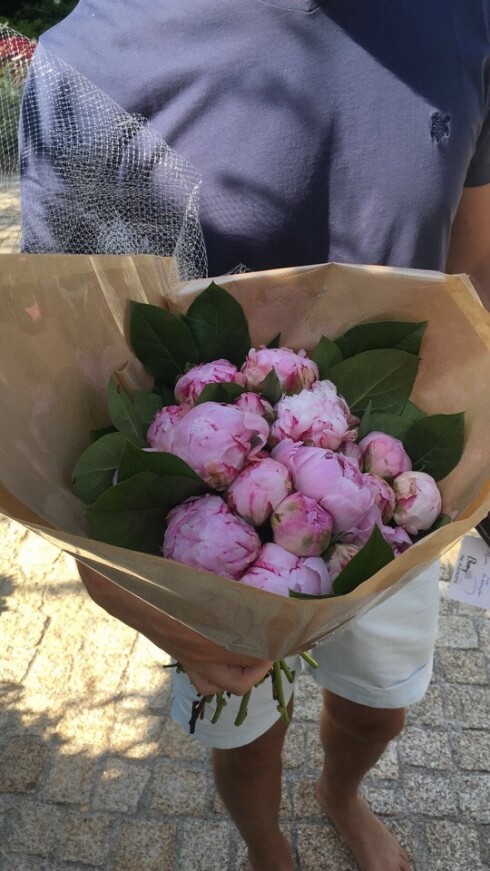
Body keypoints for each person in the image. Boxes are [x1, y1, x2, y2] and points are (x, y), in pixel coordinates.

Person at [19, 3, 490, 869]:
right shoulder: (85, 66)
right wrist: (111, 576)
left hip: (391, 502)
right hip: (203, 551)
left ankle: (340, 796)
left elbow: (476, 268)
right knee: (242, 736)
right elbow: (67, 362)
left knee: (380, 708)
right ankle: (266, 845)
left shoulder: (467, 17)